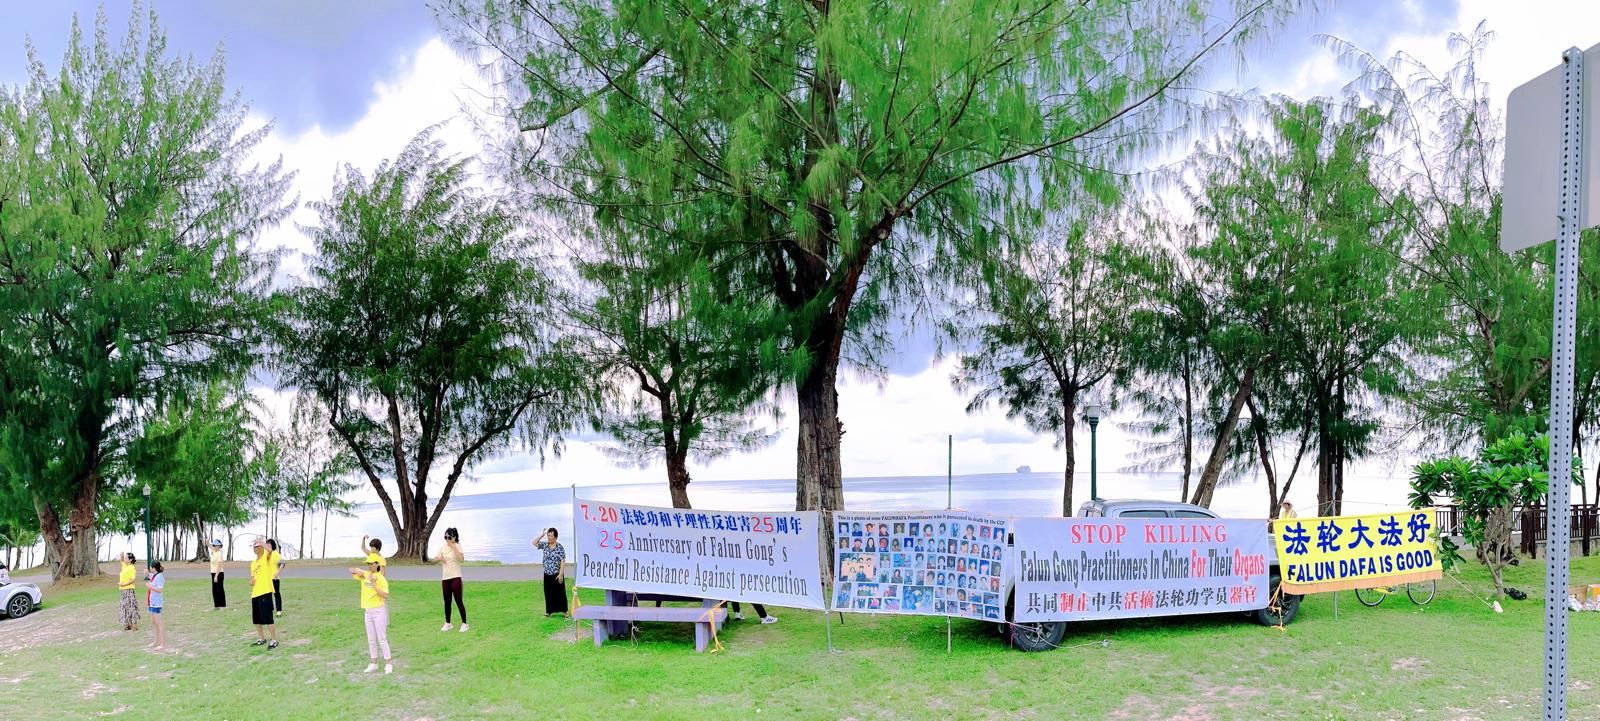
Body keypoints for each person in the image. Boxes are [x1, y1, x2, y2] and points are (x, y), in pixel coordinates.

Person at [348, 553, 392, 673]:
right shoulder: (366, 575)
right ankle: (374, 663)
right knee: (371, 639)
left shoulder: (381, 578)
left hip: (379, 611)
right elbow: (351, 571)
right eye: (368, 564)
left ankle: (388, 663)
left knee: (381, 638)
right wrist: (358, 571)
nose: (369, 566)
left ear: (377, 564)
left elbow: (386, 595)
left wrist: (374, 585)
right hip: (368, 611)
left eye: (372, 564)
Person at [248, 539, 279, 650]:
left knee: (268, 618)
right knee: (256, 619)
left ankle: (274, 640)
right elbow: (252, 578)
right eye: (254, 547)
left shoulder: (266, 558)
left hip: (265, 592)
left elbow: (270, 550)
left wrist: (260, 541)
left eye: (257, 546)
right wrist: (251, 581)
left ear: (261, 547)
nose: (255, 548)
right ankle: (261, 638)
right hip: (255, 593)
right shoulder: (253, 563)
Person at [437, 527, 468, 632]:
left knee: (458, 600)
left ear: (454, 537)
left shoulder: (458, 546)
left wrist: (453, 546)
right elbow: (437, 558)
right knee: (447, 601)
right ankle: (448, 623)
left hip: (456, 577)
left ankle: (464, 623)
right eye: (445, 537)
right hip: (445, 578)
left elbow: (462, 560)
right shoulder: (442, 547)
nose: (447, 539)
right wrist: (440, 558)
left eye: (449, 537)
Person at [533, 528, 567, 617]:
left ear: (555, 537)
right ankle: (549, 611)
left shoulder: (559, 547)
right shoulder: (545, 545)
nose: (549, 538)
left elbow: (562, 561)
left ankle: (565, 611)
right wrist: (542, 535)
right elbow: (534, 543)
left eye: (551, 536)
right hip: (547, 573)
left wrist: (561, 574)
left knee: (560, 593)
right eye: (548, 536)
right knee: (548, 593)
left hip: (557, 573)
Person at [146, 561, 166, 649]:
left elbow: (160, 589)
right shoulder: (155, 575)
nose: (150, 569)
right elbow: (150, 576)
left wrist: (150, 587)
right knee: (154, 623)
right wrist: (147, 573)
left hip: (157, 603)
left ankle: (162, 644)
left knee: (159, 623)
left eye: (151, 567)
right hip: (152, 602)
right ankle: (156, 641)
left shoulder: (159, 577)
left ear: (154, 568)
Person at [118, 553, 141, 631]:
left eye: (126, 558)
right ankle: (127, 624)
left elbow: (132, 579)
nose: (124, 559)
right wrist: (121, 555)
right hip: (123, 590)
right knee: (125, 607)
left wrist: (124, 584)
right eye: (124, 558)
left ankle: (134, 625)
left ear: (130, 560)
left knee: (131, 606)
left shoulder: (131, 567)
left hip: (129, 590)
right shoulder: (125, 566)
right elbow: (121, 561)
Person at [266, 538, 284, 617]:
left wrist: (278, 573)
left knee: (276, 594)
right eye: (267, 545)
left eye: (269, 545)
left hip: (275, 578)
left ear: (273, 545)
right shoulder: (266, 554)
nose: (268, 546)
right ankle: (270, 609)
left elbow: (283, 564)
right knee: (268, 594)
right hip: (267, 578)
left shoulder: (276, 554)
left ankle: (279, 610)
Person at [209, 539, 226, 609]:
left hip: (219, 573)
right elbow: (209, 546)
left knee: (219, 589)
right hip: (213, 573)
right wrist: (207, 542)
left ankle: (222, 605)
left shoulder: (219, 554)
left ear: (219, 546)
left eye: (216, 545)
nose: (215, 546)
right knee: (214, 590)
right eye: (214, 545)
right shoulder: (214, 551)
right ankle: (216, 605)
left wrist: (216, 576)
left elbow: (219, 566)